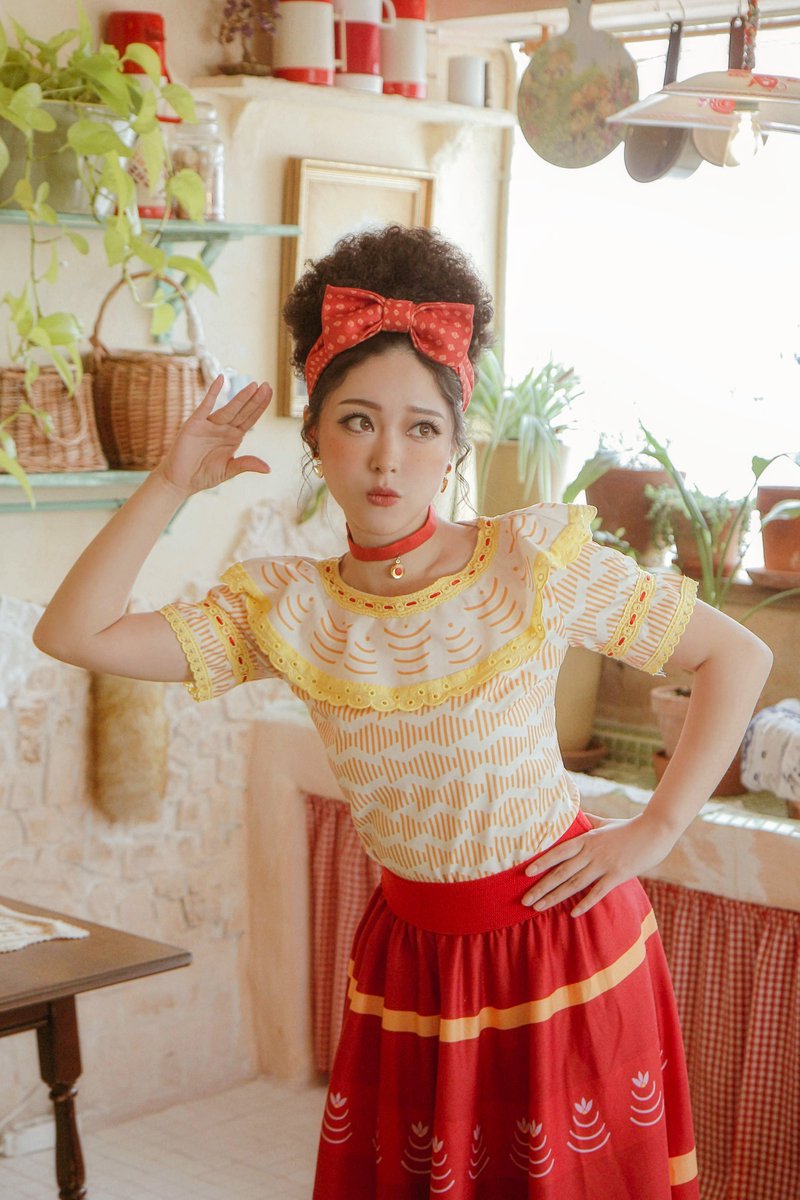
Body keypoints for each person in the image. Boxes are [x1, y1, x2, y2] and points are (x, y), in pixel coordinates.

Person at [34, 225, 773, 1200]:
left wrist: (657, 829)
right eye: (357, 420)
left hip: (562, 950)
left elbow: (736, 654)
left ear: (455, 445)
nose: (387, 457)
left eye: (421, 427)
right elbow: (76, 633)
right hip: (413, 965)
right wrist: (171, 483)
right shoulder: (288, 610)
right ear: (313, 436)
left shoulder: (529, 566)